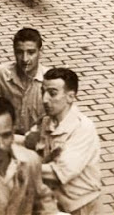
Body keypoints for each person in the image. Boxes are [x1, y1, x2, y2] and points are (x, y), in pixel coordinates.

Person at [25, 68, 102, 215]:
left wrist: (18, 166)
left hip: (82, 207)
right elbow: (28, 141)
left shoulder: (82, 128)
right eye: (43, 92)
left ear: (70, 97)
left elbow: (59, 174)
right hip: (56, 205)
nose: (44, 99)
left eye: (52, 93)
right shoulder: (47, 121)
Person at [0, 28, 49, 135]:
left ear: (40, 52)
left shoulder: (49, 80)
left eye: (31, 52)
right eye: (19, 52)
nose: (25, 59)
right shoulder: (1, 74)